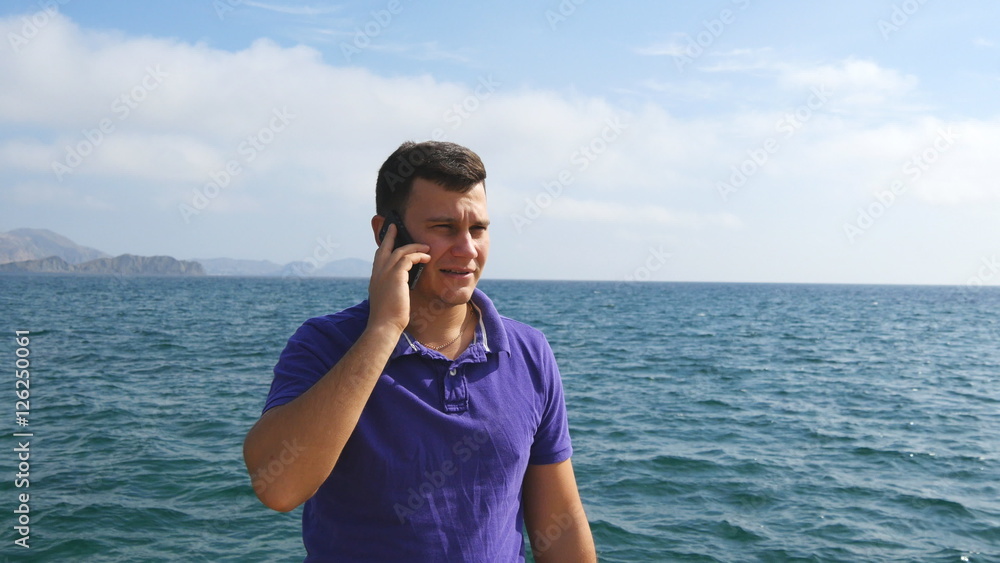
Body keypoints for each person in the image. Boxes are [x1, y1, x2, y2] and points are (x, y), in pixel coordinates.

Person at [243, 141, 597, 561]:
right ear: (385, 232)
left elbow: (559, 523)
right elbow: (278, 486)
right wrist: (383, 330)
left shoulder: (529, 352)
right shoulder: (325, 344)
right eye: (445, 228)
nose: (467, 249)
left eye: (478, 229)